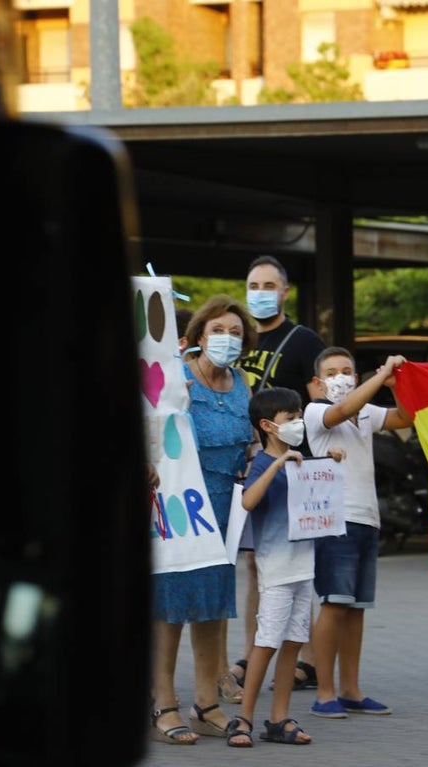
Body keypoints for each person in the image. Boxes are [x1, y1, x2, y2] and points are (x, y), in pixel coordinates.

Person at [147, 294, 254, 745]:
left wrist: (254, 457)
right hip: (181, 510)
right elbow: (150, 425)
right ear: (198, 337)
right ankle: (164, 705)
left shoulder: (242, 385)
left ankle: (206, 704)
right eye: (218, 330)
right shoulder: (178, 379)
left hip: (225, 515)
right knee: (171, 607)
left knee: (212, 606)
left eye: (235, 332)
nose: (227, 338)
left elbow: (249, 439)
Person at [227, 387, 347, 747]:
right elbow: (248, 501)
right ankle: (244, 718)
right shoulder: (263, 463)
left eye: (298, 416)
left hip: (303, 568)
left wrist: (330, 461)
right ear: (267, 425)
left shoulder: (301, 461)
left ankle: (279, 718)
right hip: (276, 571)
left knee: (293, 643)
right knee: (266, 644)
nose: (298, 423)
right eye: (290, 418)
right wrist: (277, 465)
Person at [234, 254, 328, 693]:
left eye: (269, 286)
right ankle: (254, 649)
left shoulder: (303, 341)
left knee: (296, 563)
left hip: (295, 466)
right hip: (252, 462)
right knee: (255, 562)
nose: (260, 294)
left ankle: (306, 659)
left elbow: (320, 403)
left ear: (286, 292)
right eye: (253, 286)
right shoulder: (240, 338)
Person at [305, 348, 411, 718]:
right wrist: (380, 377)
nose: (340, 377)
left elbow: (405, 417)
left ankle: (351, 689)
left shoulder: (366, 412)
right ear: (318, 382)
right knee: (334, 604)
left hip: (367, 518)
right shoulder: (315, 411)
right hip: (335, 519)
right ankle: (324, 693)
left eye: (346, 370)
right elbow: (343, 410)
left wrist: (395, 386)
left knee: (356, 609)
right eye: (331, 372)